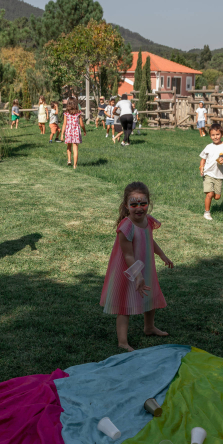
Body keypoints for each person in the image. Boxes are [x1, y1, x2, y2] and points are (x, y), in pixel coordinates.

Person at [100, 181, 174, 351]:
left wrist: (162, 254)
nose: (139, 208)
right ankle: (123, 341)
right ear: (126, 206)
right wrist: (137, 275)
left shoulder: (147, 221)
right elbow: (127, 255)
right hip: (128, 270)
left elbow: (149, 239)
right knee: (124, 302)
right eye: (134, 204)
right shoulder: (126, 226)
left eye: (143, 203)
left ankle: (149, 327)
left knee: (150, 296)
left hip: (146, 267)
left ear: (149, 203)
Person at [199, 123, 223, 221]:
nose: (215, 137)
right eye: (213, 135)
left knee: (217, 197)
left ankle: (212, 195)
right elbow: (203, 158)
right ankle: (207, 212)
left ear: (222, 134)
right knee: (209, 194)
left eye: (217, 134)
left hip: (219, 174)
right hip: (208, 173)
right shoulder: (208, 147)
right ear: (210, 136)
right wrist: (201, 167)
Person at [61, 97, 86, 169]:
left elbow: (64, 124)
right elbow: (81, 124)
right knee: (75, 148)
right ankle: (75, 165)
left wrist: (62, 134)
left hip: (68, 132)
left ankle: (69, 160)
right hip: (76, 132)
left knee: (69, 146)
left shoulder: (66, 113)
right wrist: (84, 130)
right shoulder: (78, 113)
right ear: (76, 104)